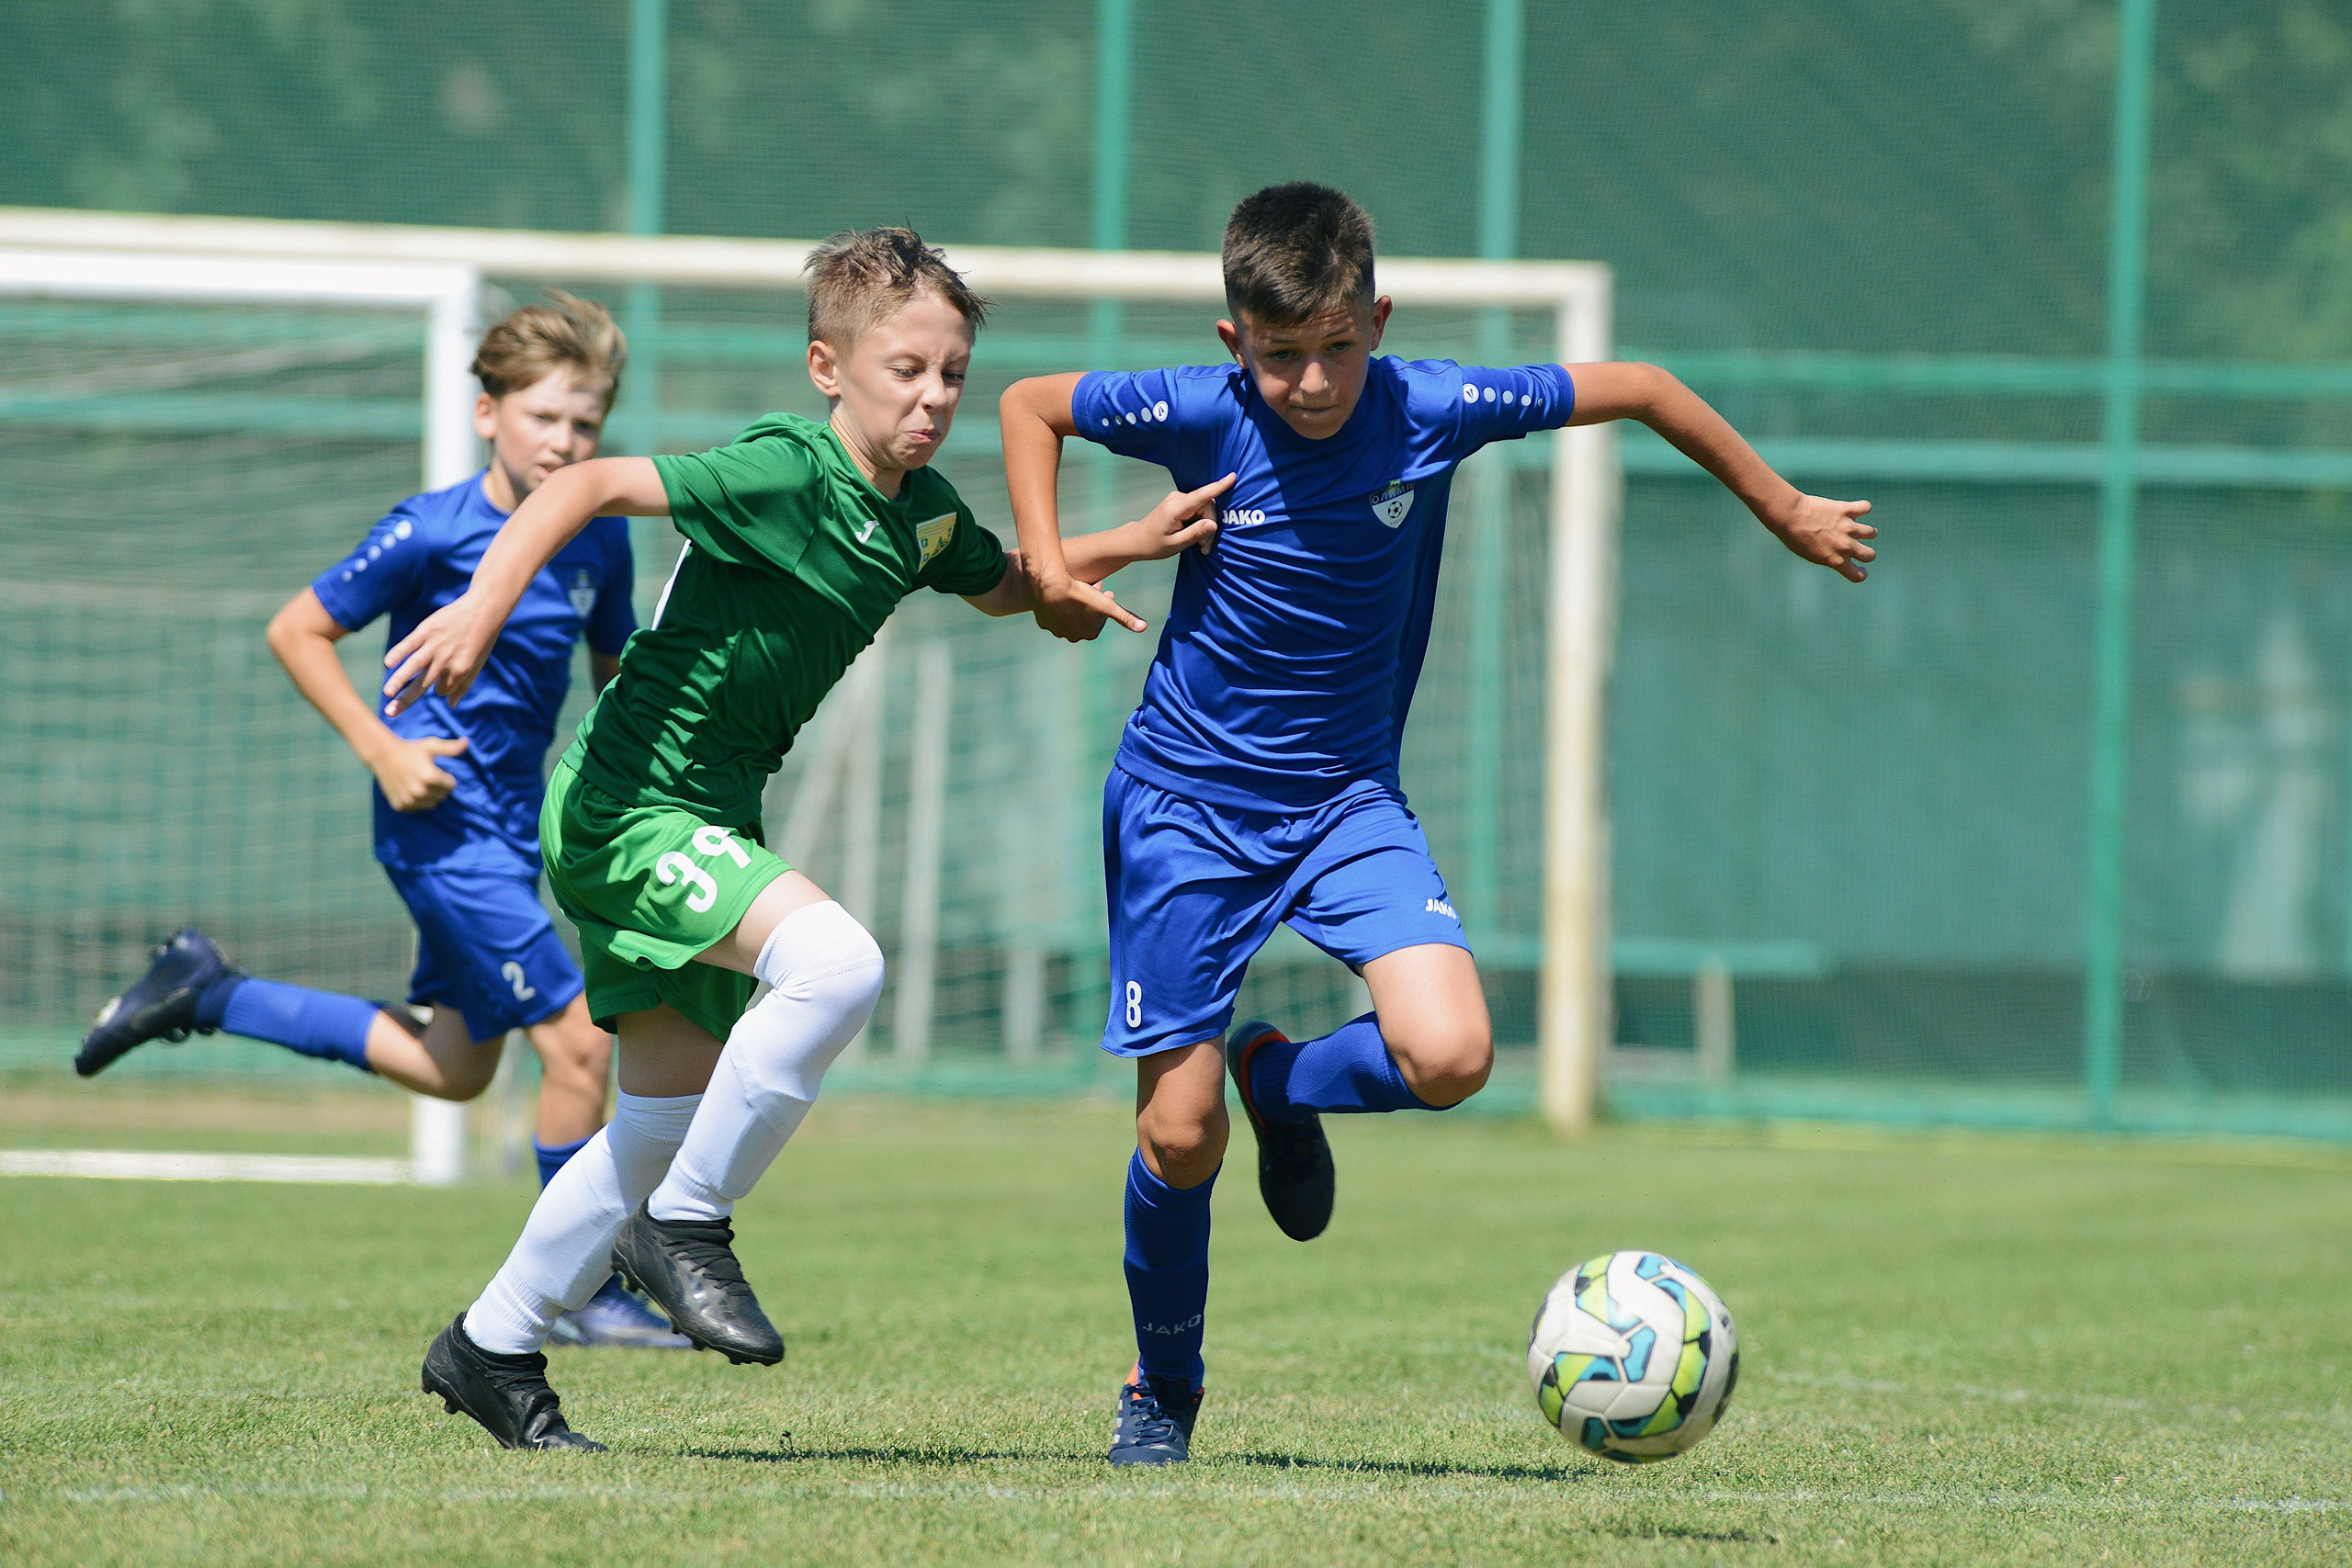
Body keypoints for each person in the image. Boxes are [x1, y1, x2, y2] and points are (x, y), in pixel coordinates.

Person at [998, 181, 1881, 1465]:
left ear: (1380, 320)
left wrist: (1782, 503)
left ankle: (1279, 1081)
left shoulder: (1435, 406)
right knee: (1176, 1136)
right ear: (1237, 339)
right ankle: (1164, 1390)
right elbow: (1032, 405)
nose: (1312, 381)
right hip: (1188, 803)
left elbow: (1636, 384)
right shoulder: (1200, 409)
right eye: (1283, 355)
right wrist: (1053, 559)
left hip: (1348, 800)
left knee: (1454, 1052)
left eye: (1339, 348)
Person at [380, 228, 1230, 1451]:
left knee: (657, 1121)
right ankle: (688, 1226)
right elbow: (586, 486)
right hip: (629, 805)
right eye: (905, 371)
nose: (933, 398)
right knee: (838, 963)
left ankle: (491, 1345)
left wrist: (1114, 547)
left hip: (706, 815)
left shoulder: (921, 516)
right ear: (829, 366)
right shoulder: (783, 467)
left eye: (951, 375)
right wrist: (481, 599)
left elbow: (998, 579)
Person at [76, 292, 686, 1349]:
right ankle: (574, 1291)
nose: (567, 443)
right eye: (546, 418)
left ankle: (209, 991)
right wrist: (384, 748)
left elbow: (613, 676)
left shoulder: (596, 543)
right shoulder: (431, 528)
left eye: (586, 426)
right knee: (581, 1052)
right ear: (489, 413)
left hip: (509, 834)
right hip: (440, 826)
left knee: (455, 1068)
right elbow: (298, 628)